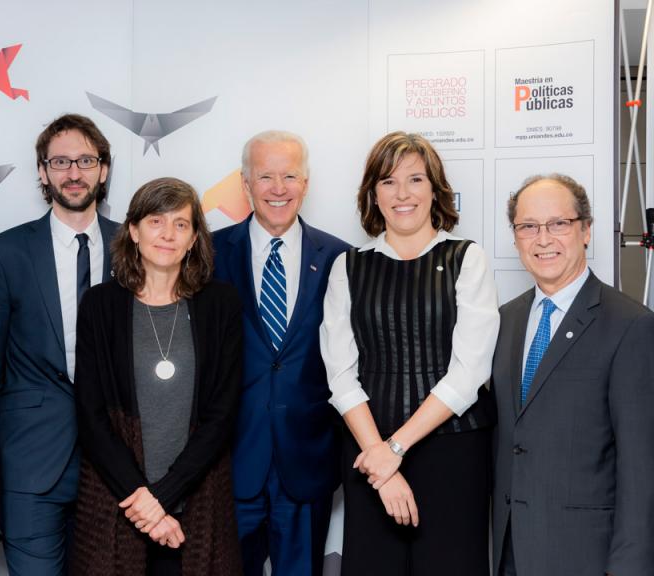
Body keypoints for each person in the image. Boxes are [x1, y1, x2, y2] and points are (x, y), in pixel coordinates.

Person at [320, 131, 499, 575]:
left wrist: (395, 448)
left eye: (415, 180)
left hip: (452, 450)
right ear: (372, 195)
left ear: (435, 190)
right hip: (368, 451)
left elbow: (469, 371)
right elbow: (340, 374)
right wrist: (380, 457)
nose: (402, 194)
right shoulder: (349, 266)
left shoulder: (466, 258)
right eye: (388, 182)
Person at [73, 177, 243, 576]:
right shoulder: (100, 305)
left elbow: (222, 415)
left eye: (181, 224)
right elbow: (91, 416)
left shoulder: (221, 305)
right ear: (132, 231)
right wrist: (143, 502)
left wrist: (161, 498)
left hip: (197, 505)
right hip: (117, 504)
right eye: (156, 222)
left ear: (194, 237)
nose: (168, 234)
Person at [492, 174, 654, 576]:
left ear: (586, 230)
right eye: (528, 226)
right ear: (516, 239)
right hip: (510, 550)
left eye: (558, 224)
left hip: (586, 556)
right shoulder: (504, 320)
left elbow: (641, 465)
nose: (542, 239)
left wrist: (630, 566)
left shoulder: (630, 326)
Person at [0, 114, 119, 575]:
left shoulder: (135, 246)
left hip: (117, 467)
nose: (73, 173)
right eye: (60, 161)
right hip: (30, 466)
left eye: (85, 160)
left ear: (103, 169)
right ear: (42, 172)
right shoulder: (5, 253)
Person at [212, 130, 349, 576]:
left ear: (305, 183)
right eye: (265, 176)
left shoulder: (340, 259)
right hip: (230, 463)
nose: (278, 188)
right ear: (245, 183)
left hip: (306, 462)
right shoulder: (208, 254)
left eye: (289, 175)